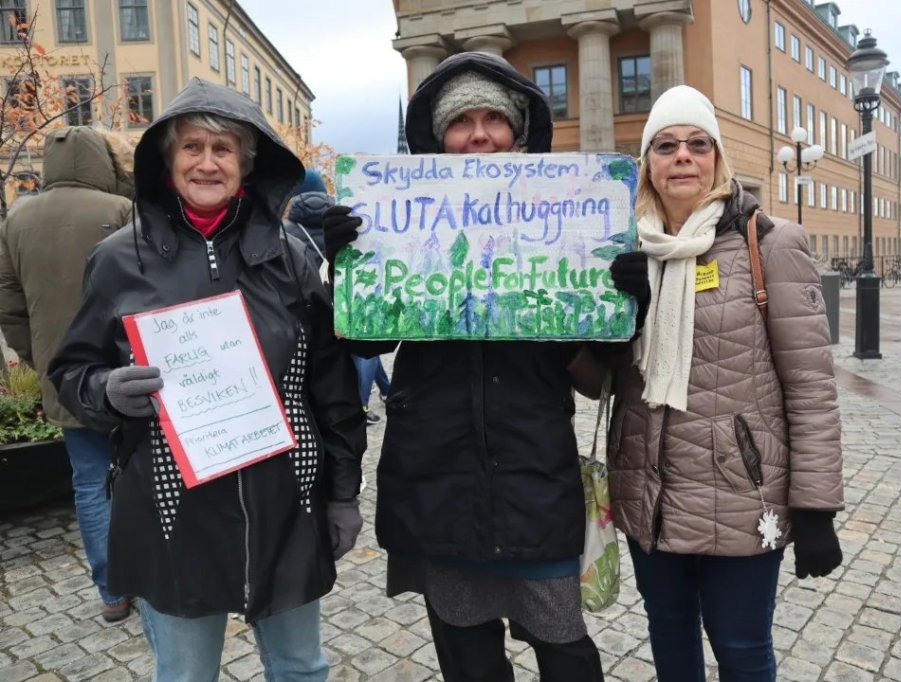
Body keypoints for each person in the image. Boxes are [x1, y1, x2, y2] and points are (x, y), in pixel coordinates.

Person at [48, 78, 366, 681]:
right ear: (168, 161)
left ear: (247, 164)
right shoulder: (117, 259)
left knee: (302, 668)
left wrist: (343, 492)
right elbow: (72, 371)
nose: (207, 162)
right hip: (175, 512)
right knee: (187, 675)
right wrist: (105, 392)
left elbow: (331, 386)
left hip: (286, 503)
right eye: (191, 147)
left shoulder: (290, 256)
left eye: (224, 148)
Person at [324, 51, 604, 682]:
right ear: (439, 138)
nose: (479, 134)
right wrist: (346, 270)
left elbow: (595, 373)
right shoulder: (402, 221)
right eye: (461, 121)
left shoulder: (563, 221)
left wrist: (615, 303)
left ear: (518, 132)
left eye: (493, 119)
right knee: (469, 659)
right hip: (440, 478)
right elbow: (364, 345)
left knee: (566, 649)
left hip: (534, 477)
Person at [595, 85, 844, 680]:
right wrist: (620, 318)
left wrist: (816, 509)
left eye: (697, 144)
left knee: (741, 648)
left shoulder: (770, 244)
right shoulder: (623, 250)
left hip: (740, 492)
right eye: (665, 145)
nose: (682, 155)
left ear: (717, 158)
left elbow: (811, 388)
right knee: (669, 635)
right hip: (649, 491)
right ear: (647, 165)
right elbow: (594, 381)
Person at [0, 126, 134, 622]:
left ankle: (112, 591)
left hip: (65, 377)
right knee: (143, 474)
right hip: (128, 372)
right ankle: (154, 572)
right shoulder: (120, 209)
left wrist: (42, 360)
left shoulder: (17, 217)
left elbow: (9, 305)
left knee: (89, 483)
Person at [283, 168, 391, 424]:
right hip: (348, 306)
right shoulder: (354, 220)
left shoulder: (285, 231)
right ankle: (361, 405)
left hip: (308, 315)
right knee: (366, 355)